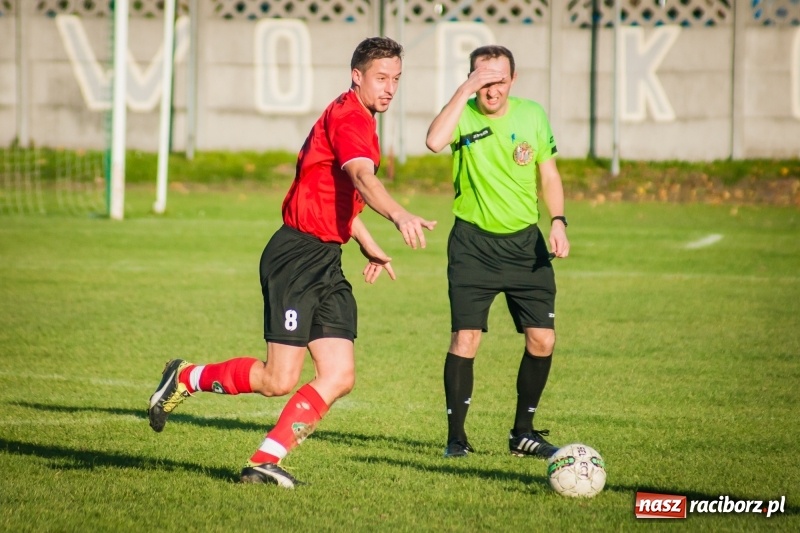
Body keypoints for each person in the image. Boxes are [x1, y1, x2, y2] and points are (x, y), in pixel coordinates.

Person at [148, 36, 436, 488]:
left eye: (396, 79)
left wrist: (365, 239)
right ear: (356, 76)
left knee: (339, 375)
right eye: (381, 78)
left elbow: (334, 193)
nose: (390, 88)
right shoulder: (349, 119)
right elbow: (361, 178)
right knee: (278, 378)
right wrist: (397, 214)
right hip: (296, 256)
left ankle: (265, 461)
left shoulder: (358, 116)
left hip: (325, 258)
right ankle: (186, 376)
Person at [425, 45, 569, 459]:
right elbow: (434, 141)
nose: (492, 90)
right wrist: (462, 92)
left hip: (526, 246)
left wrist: (558, 221)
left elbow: (550, 173)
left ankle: (523, 434)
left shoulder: (532, 115)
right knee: (465, 338)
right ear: (472, 79)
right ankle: (456, 439)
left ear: (514, 79)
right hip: (473, 246)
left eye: (500, 80)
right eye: (484, 80)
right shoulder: (462, 113)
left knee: (543, 339)